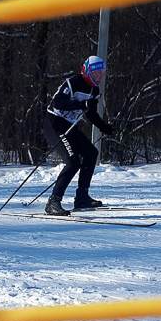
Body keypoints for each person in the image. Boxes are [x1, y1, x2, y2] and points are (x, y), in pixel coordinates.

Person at [41, 55, 116, 216]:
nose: (101, 77)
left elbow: (90, 113)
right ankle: (53, 202)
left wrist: (104, 127)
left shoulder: (93, 89)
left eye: (103, 74)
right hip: (54, 124)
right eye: (98, 74)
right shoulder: (73, 83)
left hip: (69, 125)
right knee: (73, 161)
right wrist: (82, 104)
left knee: (91, 153)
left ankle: (82, 197)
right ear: (89, 72)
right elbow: (57, 103)